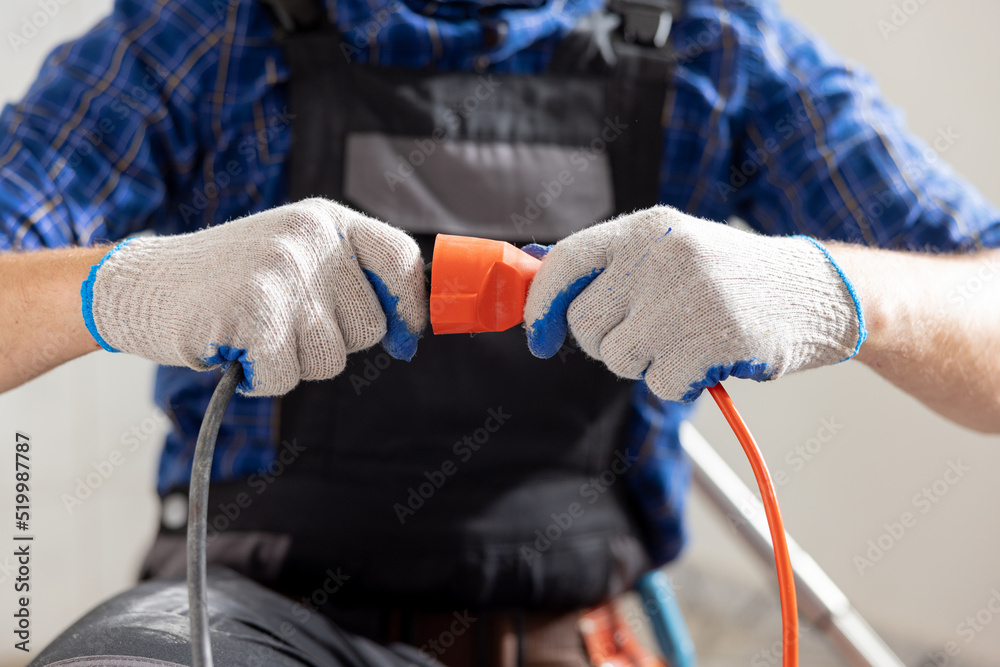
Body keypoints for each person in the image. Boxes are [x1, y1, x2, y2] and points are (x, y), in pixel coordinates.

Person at [2, 0, 998, 664]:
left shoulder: (719, 49)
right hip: (234, 621)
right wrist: (118, 289)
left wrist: (832, 290)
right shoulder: (206, 34)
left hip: (557, 631)